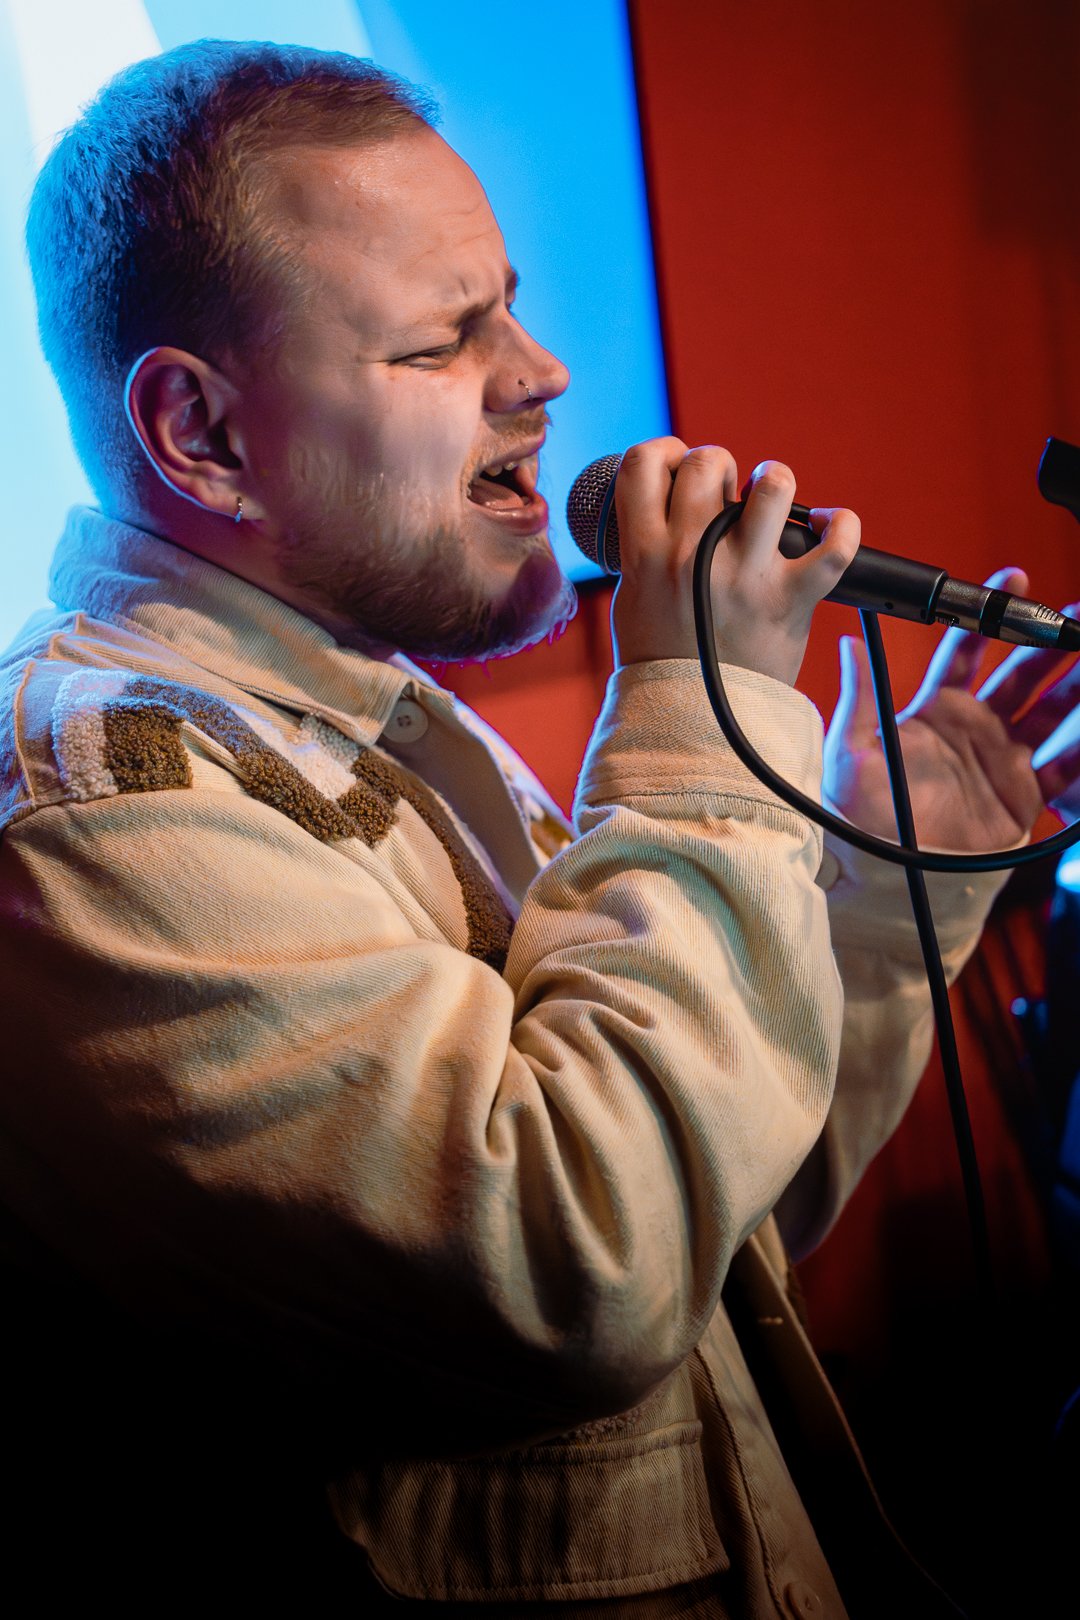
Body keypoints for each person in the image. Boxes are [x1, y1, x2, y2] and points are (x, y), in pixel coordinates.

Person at [1, 38, 1077, 1617]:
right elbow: (582, 1265)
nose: (543, 373)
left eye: (508, 303)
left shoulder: (379, 720)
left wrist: (862, 882)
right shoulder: (102, 815)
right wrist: (701, 721)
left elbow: (706, 1210)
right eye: (448, 339)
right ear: (202, 436)